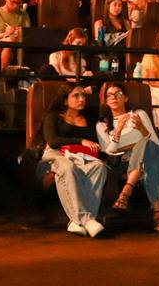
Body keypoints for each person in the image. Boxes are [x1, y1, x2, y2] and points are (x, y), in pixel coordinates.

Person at [96, 82, 159, 232]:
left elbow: (155, 141)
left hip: (147, 152)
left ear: (126, 98)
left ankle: (125, 193)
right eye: (110, 95)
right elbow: (109, 151)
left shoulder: (139, 114)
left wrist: (141, 128)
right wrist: (119, 130)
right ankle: (157, 210)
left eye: (118, 94)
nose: (114, 97)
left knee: (146, 146)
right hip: (121, 161)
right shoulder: (101, 124)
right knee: (144, 146)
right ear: (106, 101)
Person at [40, 83, 107, 237]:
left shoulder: (89, 119)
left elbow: (96, 144)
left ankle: (76, 222)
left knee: (99, 166)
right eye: (76, 96)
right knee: (68, 168)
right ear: (65, 100)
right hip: (55, 155)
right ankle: (87, 219)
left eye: (83, 95)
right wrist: (80, 140)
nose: (81, 99)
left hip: (81, 157)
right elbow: (53, 141)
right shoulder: (53, 117)